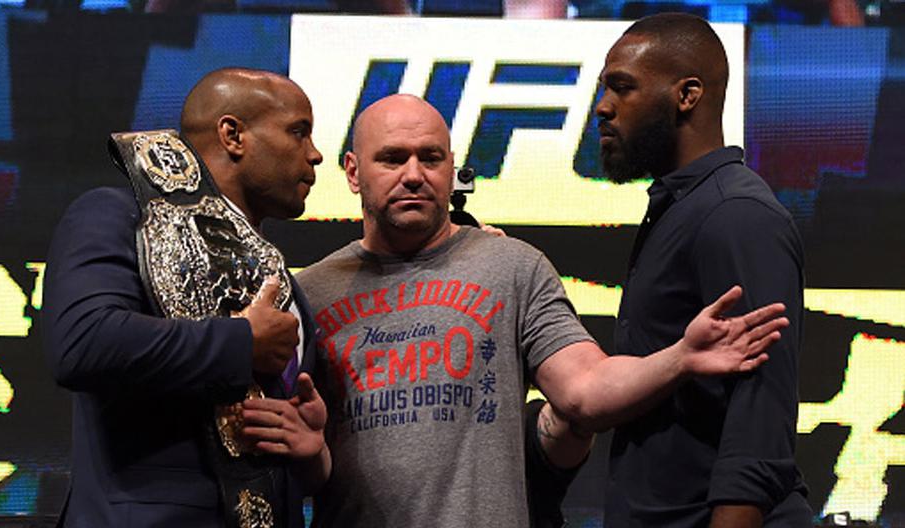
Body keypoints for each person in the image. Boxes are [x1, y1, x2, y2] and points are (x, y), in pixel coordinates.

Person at [295, 93, 790, 527]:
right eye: (391, 159)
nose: (413, 175)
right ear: (354, 172)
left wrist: (680, 357)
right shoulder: (311, 293)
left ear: (452, 168)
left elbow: (584, 391)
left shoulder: (513, 266)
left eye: (431, 158)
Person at [42, 68, 329, 527]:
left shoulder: (285, 283)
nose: (315, 155)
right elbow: (82, 341)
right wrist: (241, 342)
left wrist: (311, 454)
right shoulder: (118, 217)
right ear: (233, 135)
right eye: (298, 132)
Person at [595, 13, 812, 527]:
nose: (602, 107)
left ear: (687, 96)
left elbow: (760, 416)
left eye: (621, 88)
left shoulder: (736, 214)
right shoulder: (680, 207)